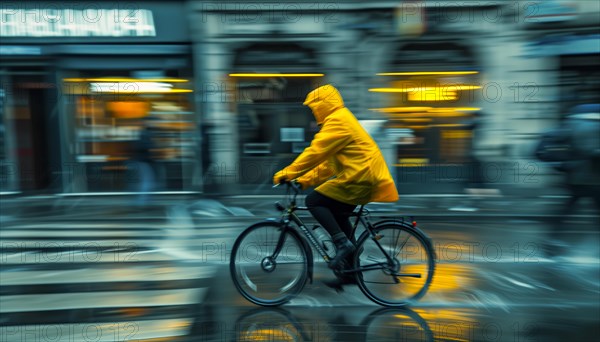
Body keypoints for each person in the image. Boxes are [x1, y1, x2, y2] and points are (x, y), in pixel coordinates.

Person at [273, 84, 399, 289]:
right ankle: (350, 274)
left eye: (314, 106)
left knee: (313, 201)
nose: (313, 111)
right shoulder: (340, 119)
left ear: (323, 104)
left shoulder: (338, 121)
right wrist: (303, 180)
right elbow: (327, 165)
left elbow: (315, 152)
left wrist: (288, 173)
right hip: (363, 177)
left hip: (360, 178)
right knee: (338, 216)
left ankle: (342, 244)